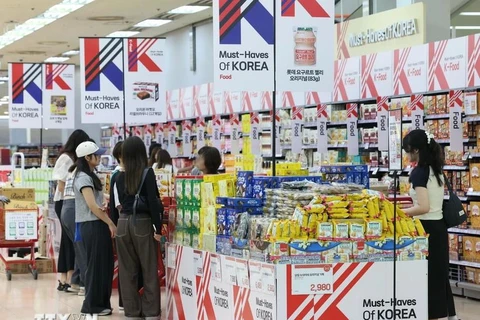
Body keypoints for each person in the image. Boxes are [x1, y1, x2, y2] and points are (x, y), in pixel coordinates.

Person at [402, 129, 457, 320]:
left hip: (427, 229)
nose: (406, 155)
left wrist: (399, 213)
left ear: (416, 150)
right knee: (440, 275)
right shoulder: (436, 169)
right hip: (440, 227)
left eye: (407, 150)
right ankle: (451, 315)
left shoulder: (419, 173)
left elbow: (423, 207)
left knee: (431, 277)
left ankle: (436, 316)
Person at [112, 136, 163, 320]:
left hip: (122, 223)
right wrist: (158, 228)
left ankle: (131, 312)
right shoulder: (147, 173)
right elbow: (153, 202)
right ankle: (150, 312)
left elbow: (115, 205)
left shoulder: (118, 176)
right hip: (142, 223)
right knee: (149, 269)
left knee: (127, 271)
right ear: (142, 153)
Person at [73, 141, 115, 316]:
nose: (99, 157)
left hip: (94, 224)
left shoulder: (90, 175)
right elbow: (91, 206)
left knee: (103, 265)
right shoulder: (83, 177)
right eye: (96, 155)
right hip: (92, 225)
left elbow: (95, 201)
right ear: (87, 157)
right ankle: (92, 305)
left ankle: (100, 304)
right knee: (96, 266)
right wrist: (110, 223)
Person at [52, 129, 89, 292]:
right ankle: (67, 278)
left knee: (70, 241)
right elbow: (61, 183)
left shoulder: (74, 158)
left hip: (68, 202)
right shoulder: (65, 158)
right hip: (64, 202)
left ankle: (68, 278)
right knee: (69, 241)